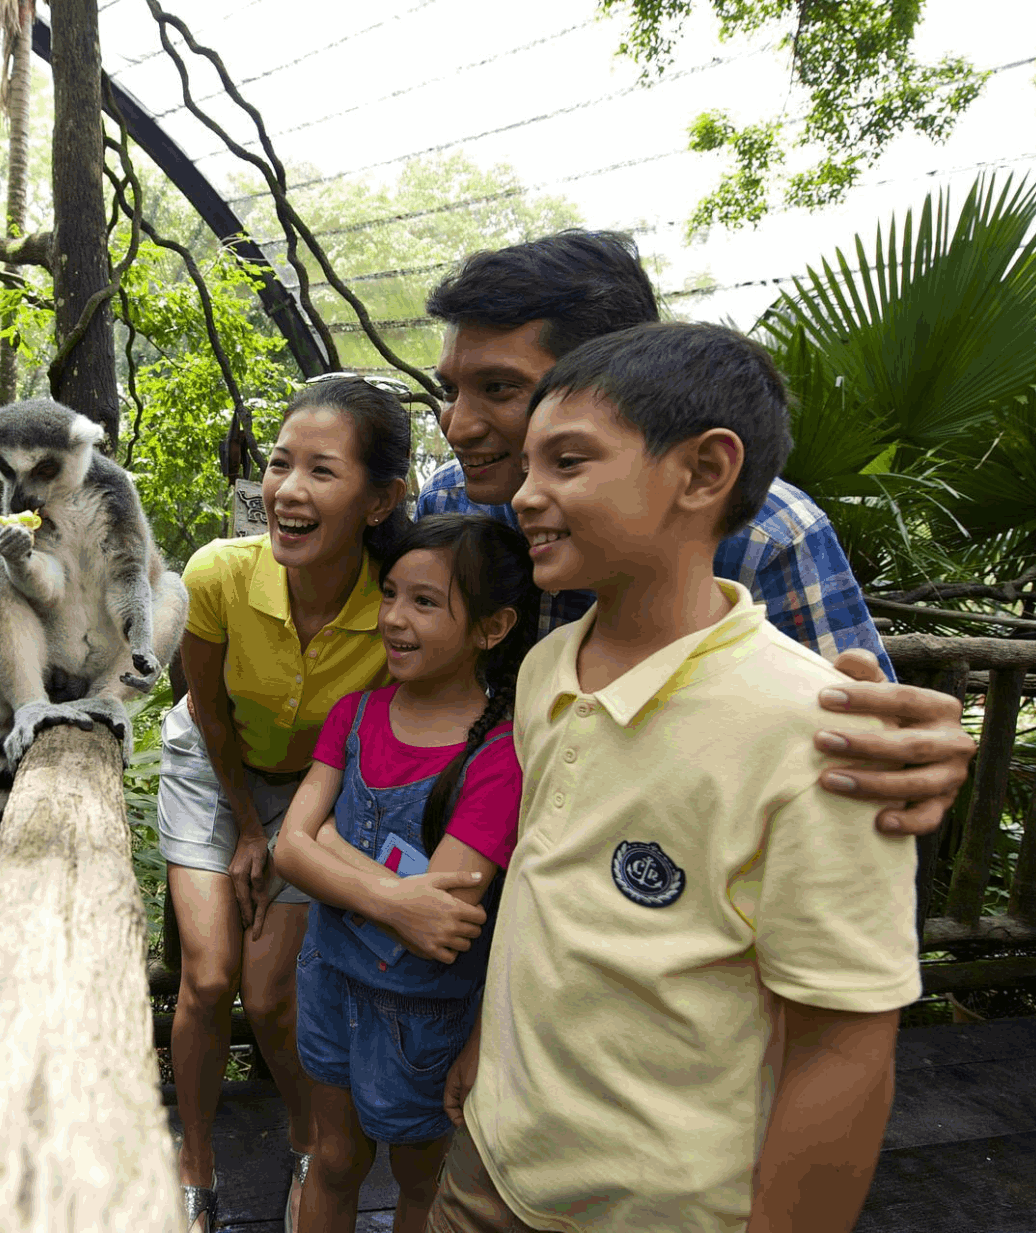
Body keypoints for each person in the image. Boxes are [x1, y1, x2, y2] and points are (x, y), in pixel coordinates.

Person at [427, 321, 922, 1232]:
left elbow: (843, 1042)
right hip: (493, 1160)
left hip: (663, 1204)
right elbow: (546, 892)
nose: (526, 496)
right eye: (528, 466)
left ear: (701, 473)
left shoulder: (814, 730)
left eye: (567, 463)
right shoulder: (546, 668)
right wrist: (485, 1046)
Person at [417, 230, 975, 834]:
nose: (457, 424)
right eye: (449, 390)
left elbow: (862, 742)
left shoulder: (767, 533)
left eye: (499, 388)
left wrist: (908, 753)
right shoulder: (450, 501)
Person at [159, 375, 413, 1233]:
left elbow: (361, 744)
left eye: (321, 471)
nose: (287, 490)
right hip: (214, 765)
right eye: (278, 464)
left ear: (379, 501)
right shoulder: (219, 575)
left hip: (317, 785)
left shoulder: (396, 607)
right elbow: (208, 712)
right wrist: (242, 828)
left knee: (271, 995)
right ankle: (194, 1163)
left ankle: (312, 1144)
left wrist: (286, 831)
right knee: (209, 975)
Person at [272, 514, 539, 1233]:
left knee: (421, 1180)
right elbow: (285, 849)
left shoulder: (498, 756)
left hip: (422, 1016)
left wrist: (327, 839)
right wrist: (390, 894)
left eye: (425, 602)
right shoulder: (353, 714)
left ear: (491, 627)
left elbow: (437, 924)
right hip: (328, 978)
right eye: (390, 594)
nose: (393, 617)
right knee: (332, 1158)